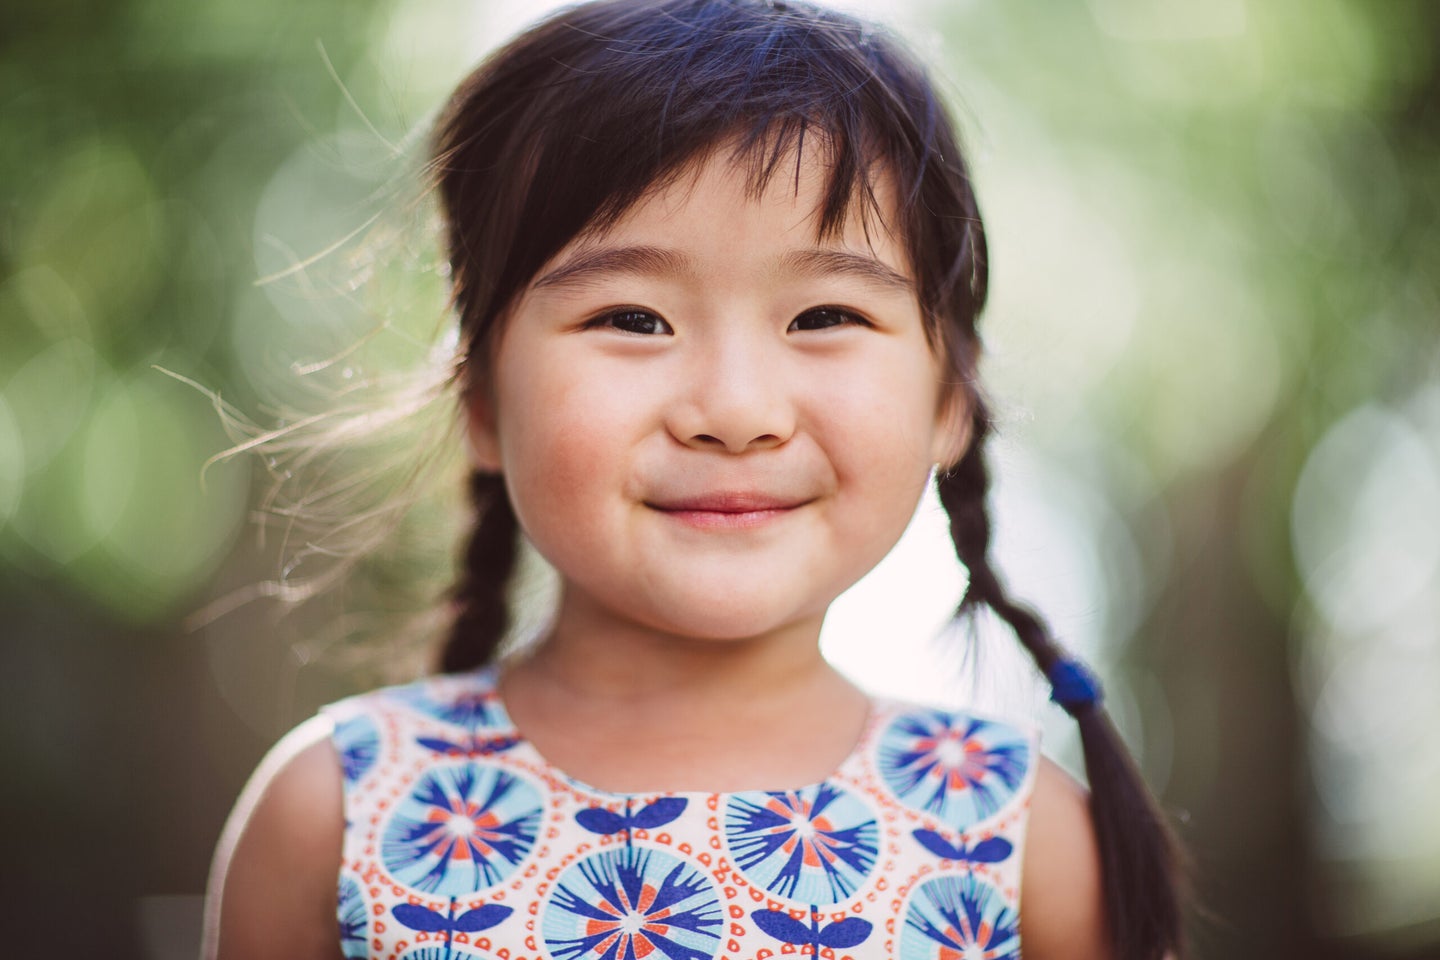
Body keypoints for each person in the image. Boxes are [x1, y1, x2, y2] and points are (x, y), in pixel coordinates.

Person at [204, 1, 1186, 958]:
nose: (735, 408)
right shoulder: (334, 817)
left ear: (948, 399)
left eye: (824, 317)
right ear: (483, 401)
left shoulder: (1017, 840)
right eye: (632, 318)